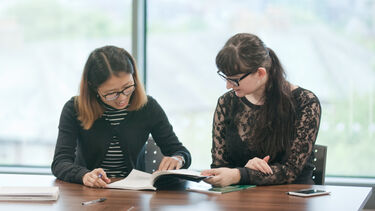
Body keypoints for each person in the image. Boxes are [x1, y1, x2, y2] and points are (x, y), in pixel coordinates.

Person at [51, 46, 191, 188]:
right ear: (93, 88)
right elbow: (60, 163)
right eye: (112, 93)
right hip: (88, 194)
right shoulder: (74, 109)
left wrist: (178, 159)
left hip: (134, 195)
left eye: (128, 87)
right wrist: (85, 175)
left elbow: (180, 151)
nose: (122, 98)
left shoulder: (148, 107)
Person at [202, 33, 321, 187]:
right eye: (226, 77)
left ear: (260, 73)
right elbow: (220, 167)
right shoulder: (227, 103)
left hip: (291, 199)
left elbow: (291, 171)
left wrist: (242, 174)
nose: (228, 86)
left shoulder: (305, 102)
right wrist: (242, 172)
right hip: (239, 200)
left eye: (235, 80)